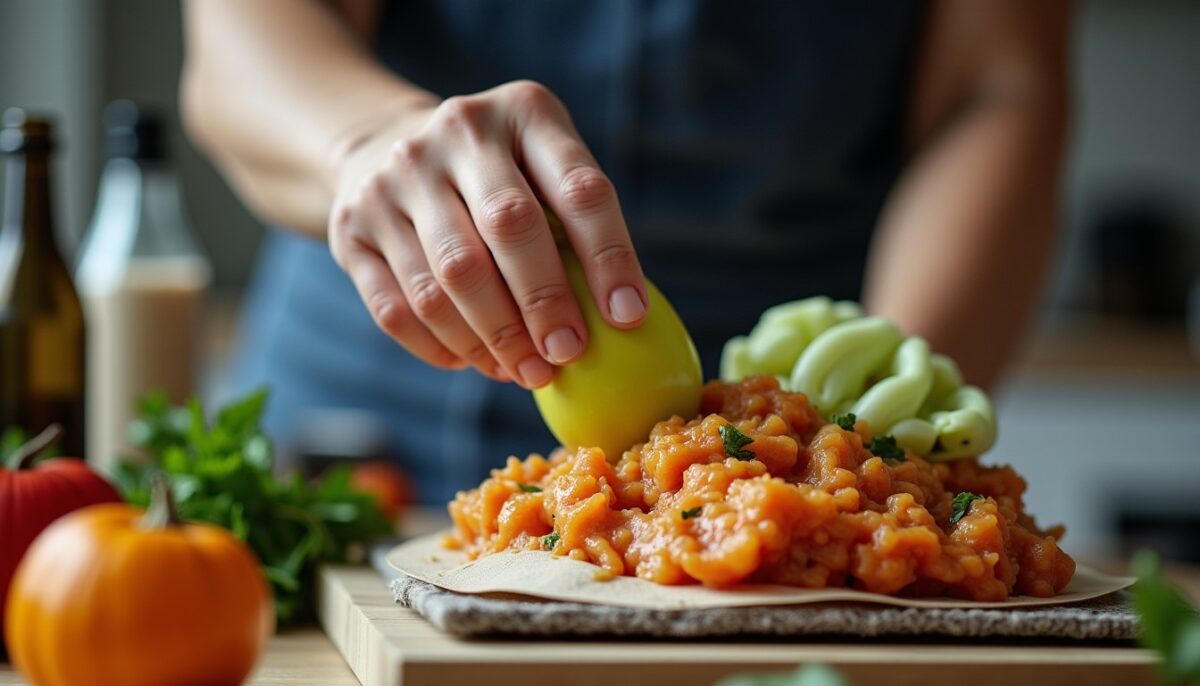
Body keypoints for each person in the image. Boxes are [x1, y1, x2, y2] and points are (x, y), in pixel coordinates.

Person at [181, 0, 1070, 502]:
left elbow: (997, 82)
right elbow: (240, 41)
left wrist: (865, 461)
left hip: (787, 408)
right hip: (357, 425)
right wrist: (364, 140)